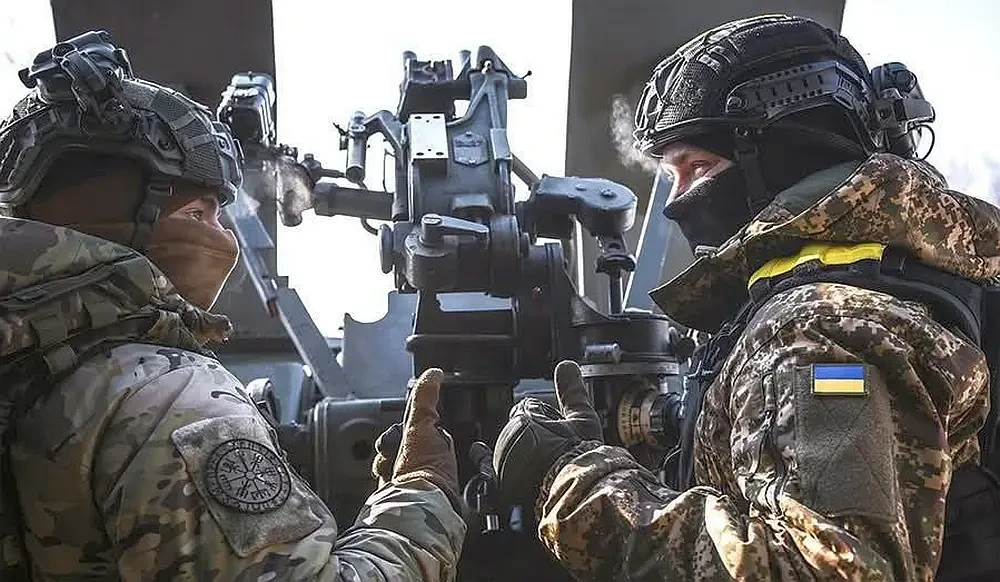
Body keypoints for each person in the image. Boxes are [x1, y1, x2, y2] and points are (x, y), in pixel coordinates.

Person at [492, 14, 1000, 581]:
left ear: (784, 156)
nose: (676, 202)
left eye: (699, 167)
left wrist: (574, 481)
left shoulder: (818, 335)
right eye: (672, 175)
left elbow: (819, 571)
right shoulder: (898, 280)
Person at [0, 31, 464, 581]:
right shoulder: (164, 399)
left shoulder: (30, 366)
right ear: (162, 216)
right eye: (206, 214)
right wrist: (422, 496)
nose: (223, 236)